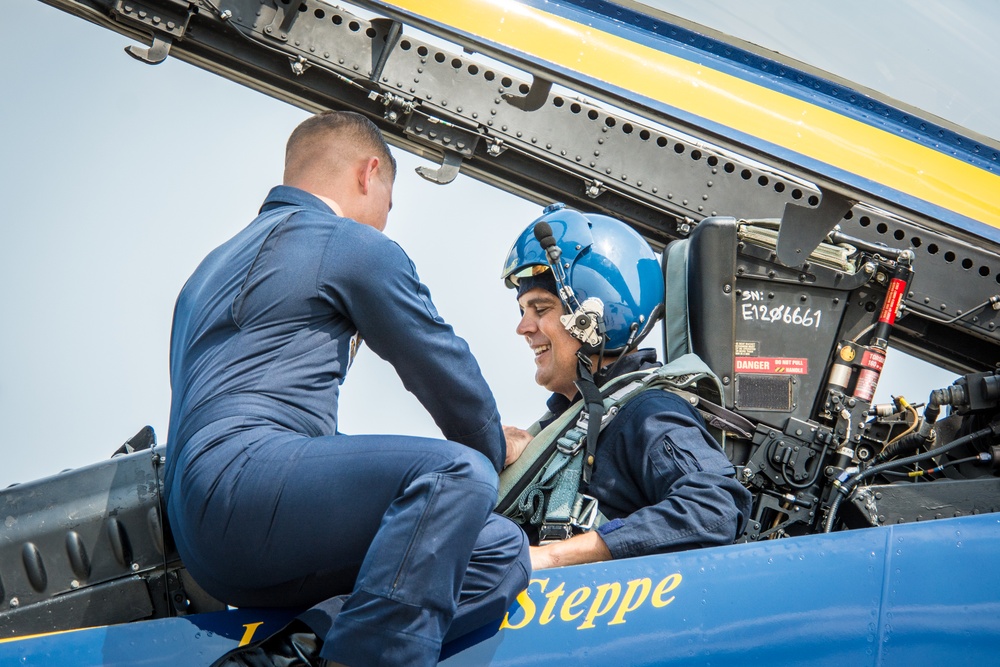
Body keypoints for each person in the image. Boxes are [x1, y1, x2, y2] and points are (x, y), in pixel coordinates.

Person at [164, 110, 530, 667]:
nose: (385, 219)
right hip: (245, 486)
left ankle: (295, 654)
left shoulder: (210, 268)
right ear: (369, 173)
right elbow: (438, 361)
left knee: (497, 549)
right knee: (457, 474)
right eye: (389, 198)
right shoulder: (345, 243)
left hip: (205, 537)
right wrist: (492, 453)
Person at [500, 204, 752, 570]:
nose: (523, 328)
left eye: (540, 308)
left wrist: (552, 555)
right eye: (523, 310)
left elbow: (713, 508)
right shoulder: (575, 421)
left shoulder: (646, 411)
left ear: (595, 319)